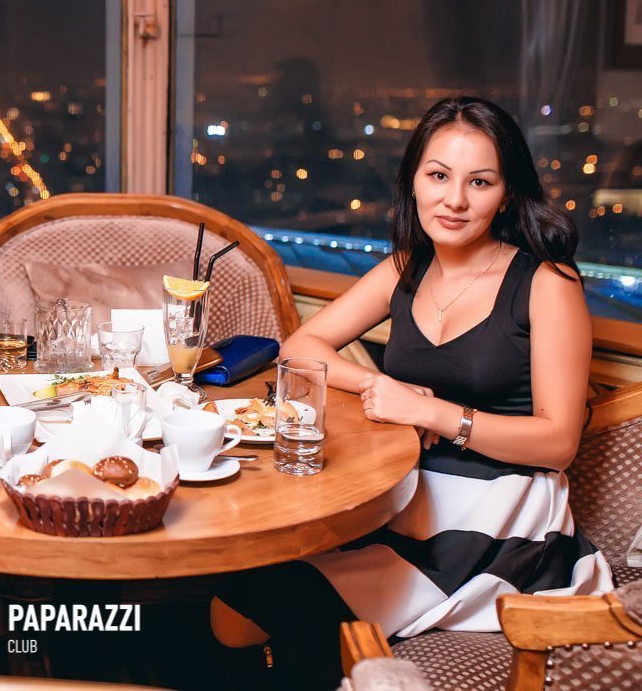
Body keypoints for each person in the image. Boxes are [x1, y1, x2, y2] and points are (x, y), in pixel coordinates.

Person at [208, 97, 614, 688]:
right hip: (402, 492)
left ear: (506, 194)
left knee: (292, 608)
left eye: (480, 182)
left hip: (502, 514)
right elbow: (300, 348)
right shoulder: (407, 268)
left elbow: (557, 443)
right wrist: (381, 384)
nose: (455, 200)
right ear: (414, 181)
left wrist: (433, 412)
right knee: (230, 608)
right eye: (439, 176)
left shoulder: (547, 281)